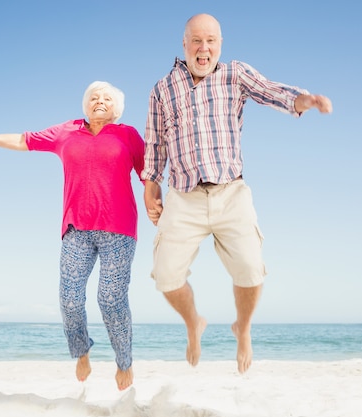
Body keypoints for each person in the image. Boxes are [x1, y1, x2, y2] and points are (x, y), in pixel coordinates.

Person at [141, 14, 333, 374]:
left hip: (231, 192)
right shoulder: (162, 89)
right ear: (184, 45)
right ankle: (193, 322)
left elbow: (273, 92)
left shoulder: (235, 74)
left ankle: (241, 328)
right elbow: (155, 144)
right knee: (165, 276)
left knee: (251, 271)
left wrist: (303, 101)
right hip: (184, 197)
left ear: (221, 44)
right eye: (196, 41)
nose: (204, 48)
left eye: (211, 40)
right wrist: (151, 188)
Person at [0, 81, 145, 390]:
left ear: (116, 109)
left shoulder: (128, 135)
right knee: (69, 299)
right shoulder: (67, 132)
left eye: (106, 98)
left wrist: (159, 205)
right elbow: (26, 140)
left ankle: (124, 362)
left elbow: (149, 175)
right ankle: (81, 352)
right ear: (84, 104)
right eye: (93, 97)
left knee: (110, 299)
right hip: (76, 230)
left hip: (118, 229)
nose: (98, 101)